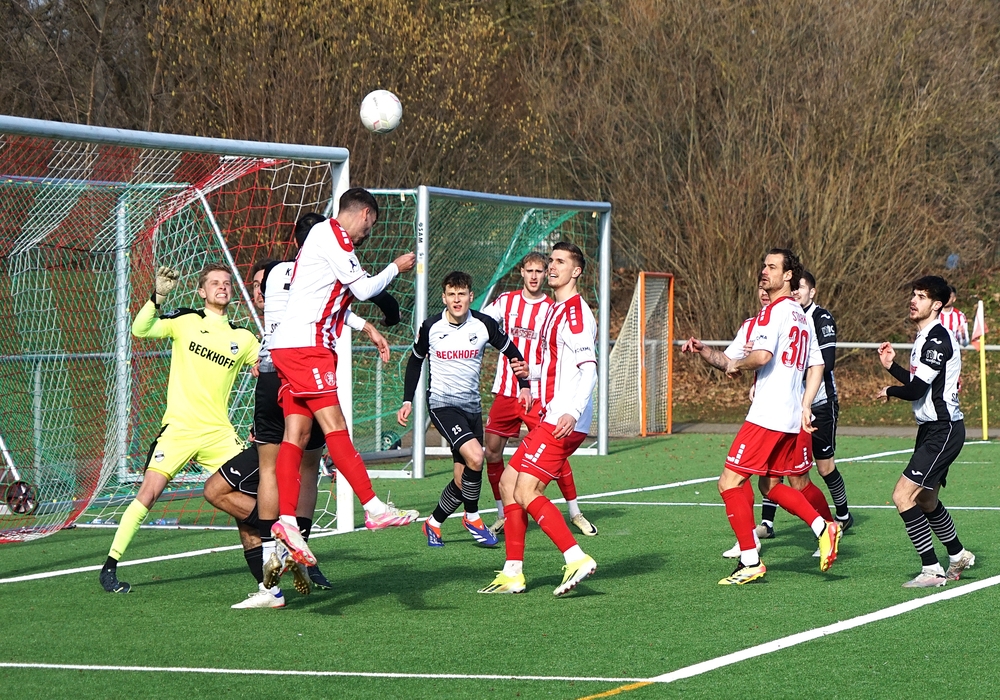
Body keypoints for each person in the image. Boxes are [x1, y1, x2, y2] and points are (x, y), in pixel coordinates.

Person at [267, 188, 418, 569]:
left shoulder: (324, 240)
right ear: (365, 214)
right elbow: (364, 289)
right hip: (307, 348)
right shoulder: (333, 234)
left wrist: (367, 327)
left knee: (297, 435)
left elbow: (333, 300)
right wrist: (395, 267)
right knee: (335, 428)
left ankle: (287, 522)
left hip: (291, 347)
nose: (369, 232)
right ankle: (373, 506)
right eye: (372, 224)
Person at [682, 249, 841, 585]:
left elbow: (761, 356)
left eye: (772, 267)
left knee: (729, 482)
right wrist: (805, 405)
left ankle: (750, 560)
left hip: (768, 415)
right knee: (769, 484)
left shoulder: (776, 311)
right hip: (788, 416)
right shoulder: (800, 315)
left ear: (788, 276)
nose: (764, 272)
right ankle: (822, 527)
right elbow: (816, 364)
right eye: (763, 266)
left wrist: (740, 364)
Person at [99, 263, 260, 593]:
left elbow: (267, 371)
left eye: (227, 283)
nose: (222, 287)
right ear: (201, 291)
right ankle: (110, 567)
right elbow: (140, 329)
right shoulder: (185, 321)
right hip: (179, 429)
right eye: (214, 283)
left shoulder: (244, 338)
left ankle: (268, 578)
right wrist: (157, 297)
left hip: (218, 434)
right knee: (149, 493)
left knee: (244, 499)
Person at [478, 242, 598, 596]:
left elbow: (589, 369)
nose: (552, 267)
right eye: (551, 261)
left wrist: (572, 411)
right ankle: (513, 572)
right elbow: (557, 364)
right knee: (508, 483)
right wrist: (532, 373)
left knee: (526, 490)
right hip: (552, 413)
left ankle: (576, 557)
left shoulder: (575, 315)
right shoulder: (556, 310)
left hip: (564, 419)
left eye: (561, 262)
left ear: (576, 271)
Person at [397, 270, 530, 547]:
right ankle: (472, 517)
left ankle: (433, 523)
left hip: (472, 407)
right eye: (451, 294)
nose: (457, 300)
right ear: (444, 298)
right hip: (442, 404)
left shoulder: (484, 324)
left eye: (461, 294)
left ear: (471, 296)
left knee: (462, 479)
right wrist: (407, 399)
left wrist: (524, 385)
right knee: (477, 457)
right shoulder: (431, 326)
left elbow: (512, 352)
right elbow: (415, 361)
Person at [876, 275, 975, 588]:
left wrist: (890, 389)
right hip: (933, 429)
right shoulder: (925, 338)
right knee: (927, 500)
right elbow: (921, 383)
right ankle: (958, 554)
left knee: (902, 496)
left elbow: (917, 390)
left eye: (921, 296)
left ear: (936, 305)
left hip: (943, 430)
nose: (913, 300)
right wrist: (892, 367)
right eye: (914, 294)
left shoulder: (936, 340)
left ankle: (931, 569)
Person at [756, 271, 854, 541]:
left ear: (813, 292)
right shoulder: (785, 315)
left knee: (824, 467)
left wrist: (792, 373)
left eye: (801, 287)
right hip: (789, 407)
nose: (796, 292)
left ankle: (842, 515)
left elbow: (827, 362)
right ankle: (767, 522)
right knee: (775, 464)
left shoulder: (821, 318)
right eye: (794, 288)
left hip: (819, 404)